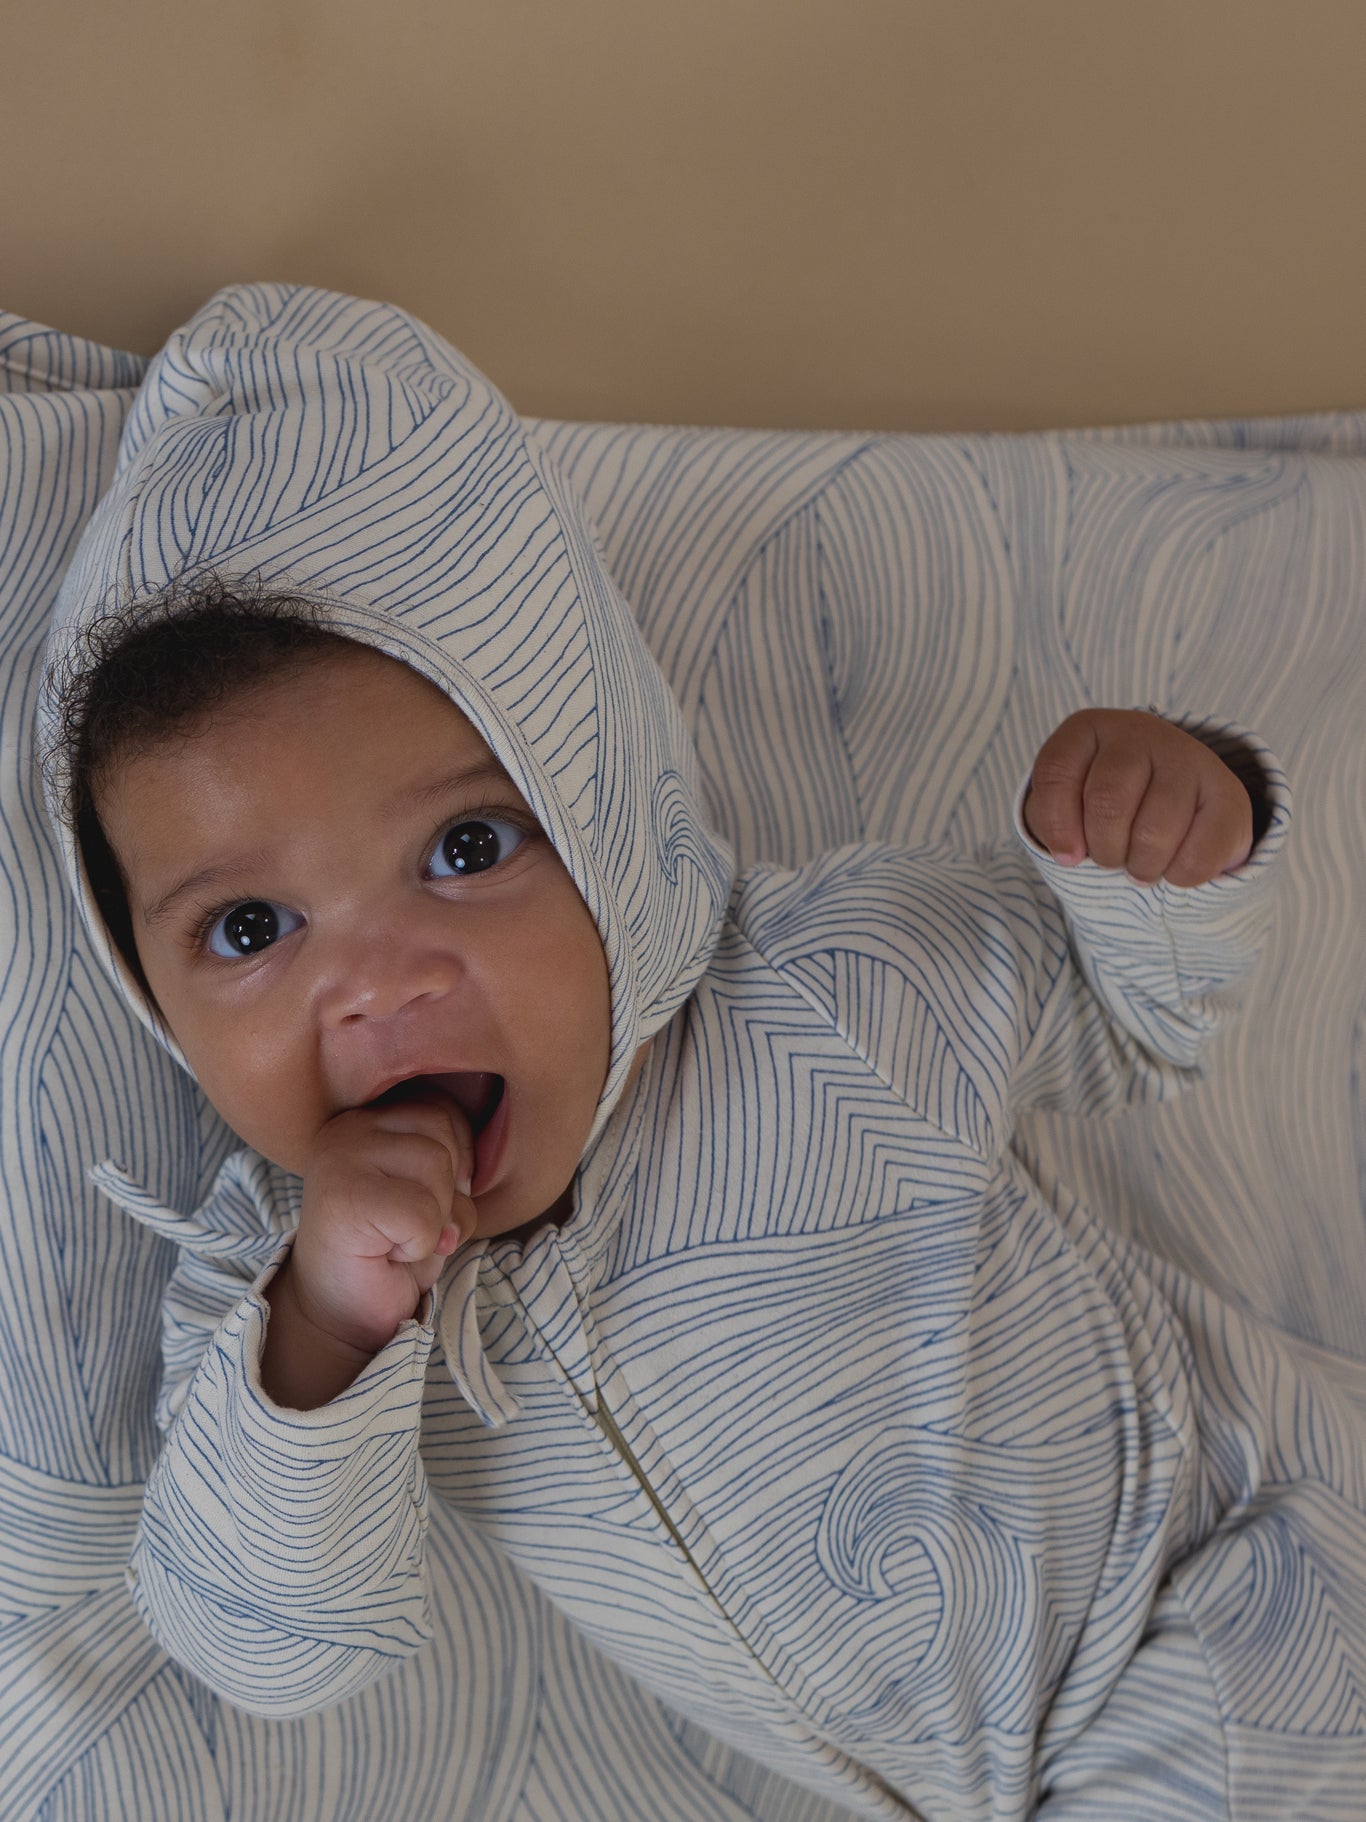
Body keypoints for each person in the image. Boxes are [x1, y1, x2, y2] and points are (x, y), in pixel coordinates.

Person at [38, 283, 1365, 1822]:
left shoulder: (828, 983)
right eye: (252, 930)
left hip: (1248, 1588)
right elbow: (267, 1645)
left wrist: (1160, 851)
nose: (377, 983)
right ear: (147, 991)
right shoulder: (275, 1309)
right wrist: (324, 1329)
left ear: (599, 818)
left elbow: (1134, 1019)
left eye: (465, 845)